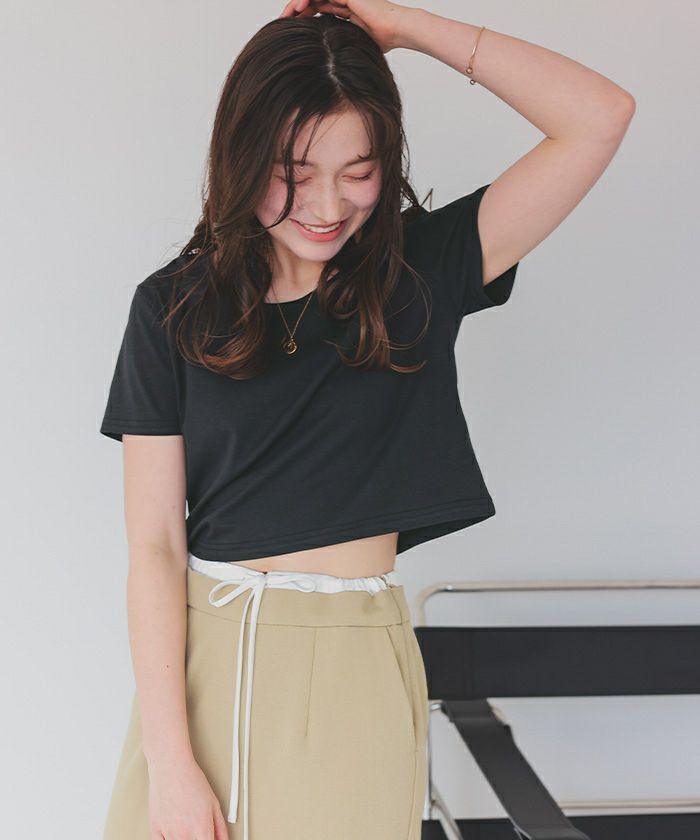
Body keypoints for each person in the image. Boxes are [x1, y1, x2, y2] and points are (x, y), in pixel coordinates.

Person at [99, 2, 635, 839]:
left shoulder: (422, 271)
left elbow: (599, 116)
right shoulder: (173, 307)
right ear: (244, 156)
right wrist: (171, 763)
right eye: (295, 172)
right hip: (203, 664)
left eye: (359, 170)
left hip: (353, 662)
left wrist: (401, 27)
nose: (327, 203)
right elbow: (156, 548)